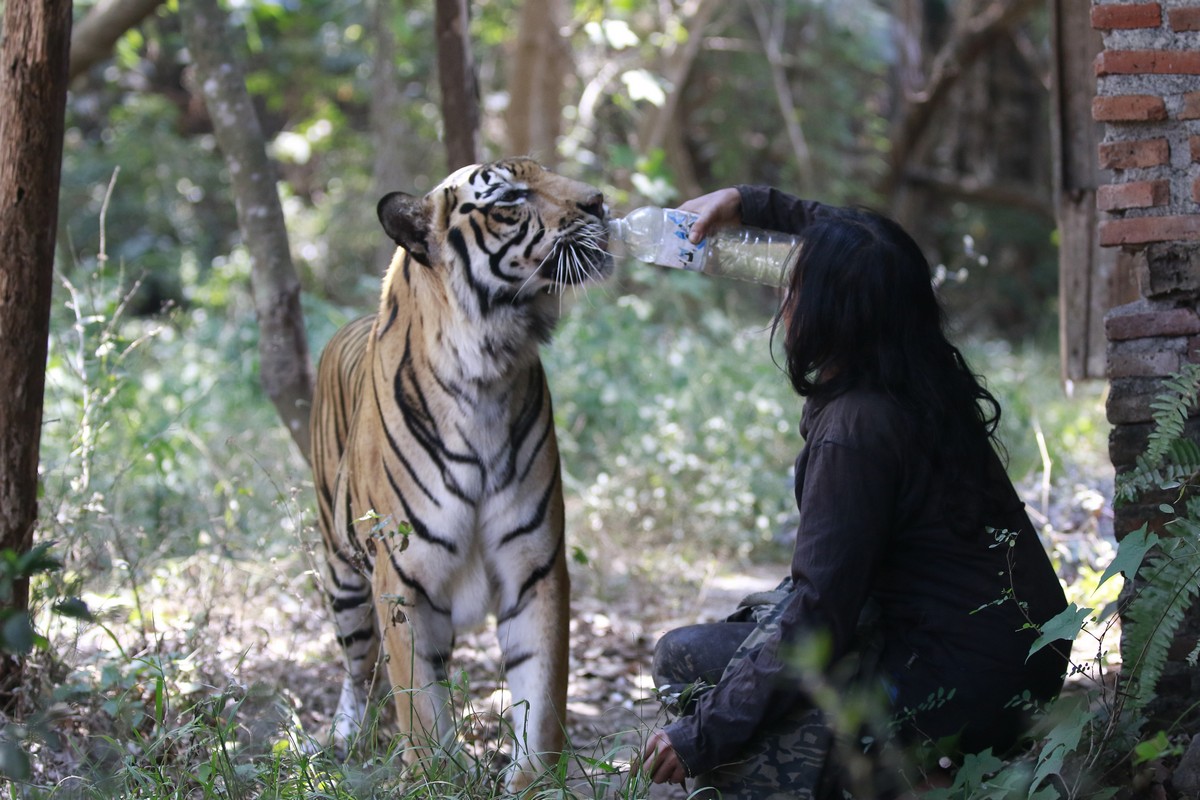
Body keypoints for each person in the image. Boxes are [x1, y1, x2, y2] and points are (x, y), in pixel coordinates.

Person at [638, 186, 1070, 799]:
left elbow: (819, 619)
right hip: (1013, 657)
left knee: (695, 683)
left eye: (797, 288)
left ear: (831, 312)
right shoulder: (910, 369)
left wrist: (704, 736)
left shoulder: (858, 430)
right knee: (707, 663)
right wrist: (746, 202)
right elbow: (864, 244)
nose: (783, 301)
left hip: (955, 681)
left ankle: (914, 776)